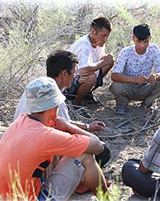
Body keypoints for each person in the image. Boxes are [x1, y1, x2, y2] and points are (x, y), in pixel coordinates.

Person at [0, 77, 109, 200]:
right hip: (31, 198)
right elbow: (98, 146)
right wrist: (68, 125)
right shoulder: (45, 136)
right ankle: (108, 199)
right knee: (85, 155)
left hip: (3, 196)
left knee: (59, 152)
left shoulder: (23, 119)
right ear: (54, 106)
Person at [13, 50, 111, 178]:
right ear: (64, 74)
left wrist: (88, 127)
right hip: (39, 153)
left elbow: (59, 122)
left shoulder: (37, 86)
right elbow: (63, 127)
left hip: (25, 144)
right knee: (102, 152)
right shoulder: (53, 98)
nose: (75, 76)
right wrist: (90, 137)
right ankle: (83, 180)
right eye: (73, 72)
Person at [109, 23, 160, 115]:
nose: (142, 45)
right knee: (115, 86)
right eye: (139, 42)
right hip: (128, 87)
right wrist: (134, 79)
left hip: (146, 86)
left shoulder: (154, 49)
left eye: (145, 42)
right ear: (133, 38)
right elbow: (114, 76)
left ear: (150, 38)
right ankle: (122, 104)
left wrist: (156, 76)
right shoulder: (125, 52)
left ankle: (146, 105)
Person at [64, 17, 114, 105]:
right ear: (93, 31)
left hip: (80, 77)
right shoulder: (84, 45)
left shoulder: (98, 42)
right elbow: (83, 70)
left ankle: (86, 94)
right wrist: (103, 62)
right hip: (69, 82)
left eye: (107, 36)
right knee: (91, 77)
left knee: (109, 62)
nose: (106, 40)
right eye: (103, 36)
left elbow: (99, 60)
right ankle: (75, 104)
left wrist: (105, 60)